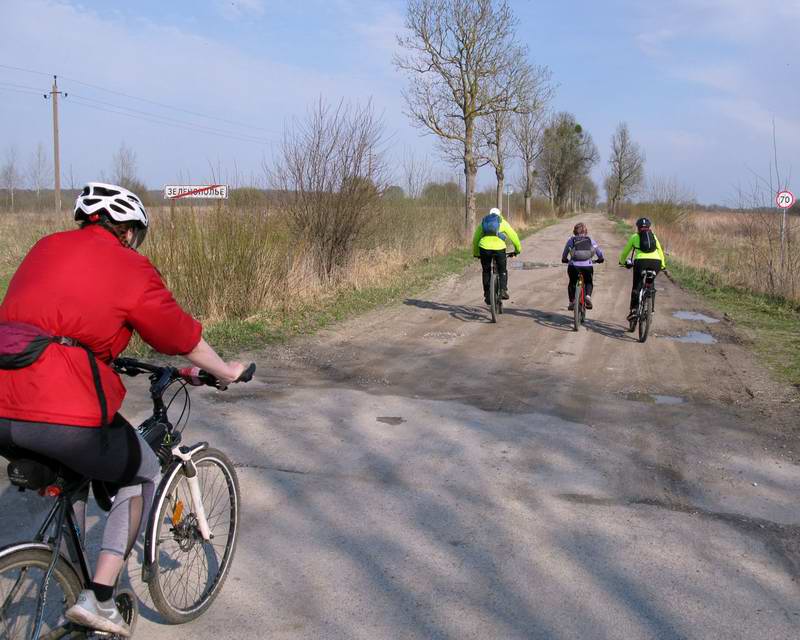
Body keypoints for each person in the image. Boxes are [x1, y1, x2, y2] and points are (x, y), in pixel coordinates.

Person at [0, 183, 246, 637]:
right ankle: (101, 599)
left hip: (4, 404)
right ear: (129, 231)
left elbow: (54, 318)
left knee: (72, 473)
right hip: (60, 405)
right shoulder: (127, 264)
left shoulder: (46, 247)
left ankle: (66, 572)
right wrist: (224, 370)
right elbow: (178, 335)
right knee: (142, 470)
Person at [618, 216, 666, 321]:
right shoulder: (654, 236)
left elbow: (626, 251)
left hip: (641, 262)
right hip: (656, 262)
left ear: (638, 227)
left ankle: (634, 311)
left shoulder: (634, 237)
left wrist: (622, 262)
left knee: (637, 286)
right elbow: (660, 251)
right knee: (650, 284)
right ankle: (651, 309)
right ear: (649, 227)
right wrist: (662, 264)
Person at [472, 207, 521, 305]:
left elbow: (476, 239)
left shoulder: (484, 222)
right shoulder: (502, 222)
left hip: (484, 248)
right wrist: (517, 250)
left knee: (486, 271)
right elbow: (514, 236)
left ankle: (487, 294)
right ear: (499, 214)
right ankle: (503, 290)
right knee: (502, 270)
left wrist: (476, 253)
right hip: (499, 249)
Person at [561, 222, 604, 310]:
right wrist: (600, 259)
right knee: (588, 282)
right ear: (586, 231)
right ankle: (587, 297)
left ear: (574, 231)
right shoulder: (590, 239)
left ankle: (572, 301)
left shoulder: (571, 240)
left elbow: (565, 252)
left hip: (573, 266)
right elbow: (598, 252)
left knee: (572, 282)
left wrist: (564, 259)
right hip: (587, 266)